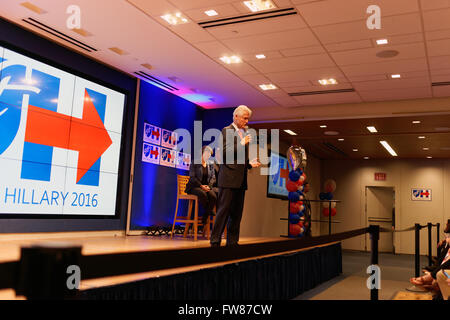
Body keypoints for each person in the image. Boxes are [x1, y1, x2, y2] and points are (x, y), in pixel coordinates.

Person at [210, 105, 260, 247]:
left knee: (237, 215)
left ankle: (233, 242)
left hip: (241, 179)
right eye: (245, 118)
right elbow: (225, 154)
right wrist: (241, 142)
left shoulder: (243, 133)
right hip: (228, 179)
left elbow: (238, 157)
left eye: (248, 119)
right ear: (236, 117)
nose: (247, 121)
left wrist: (249, 163)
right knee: (222, 212)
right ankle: (215, 242)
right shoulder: (227, 131)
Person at [185, 146, 217, 225]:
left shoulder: (211, 164)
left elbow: (213, 177)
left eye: (210, 154)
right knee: (203, 194)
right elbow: (192, 178)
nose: (208, 155)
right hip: (194, 187)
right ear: (202, 153)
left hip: (206, 187)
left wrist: (209, 186)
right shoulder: (194, 162)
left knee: (213, 196)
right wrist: (201, 186)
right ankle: (209, 210)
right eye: (207, 153)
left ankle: (205, 215)